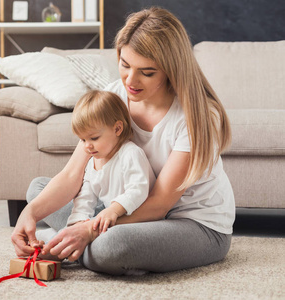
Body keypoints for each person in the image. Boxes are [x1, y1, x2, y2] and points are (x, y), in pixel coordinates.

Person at [12, 6, 235, 275]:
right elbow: (73, 173)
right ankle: (79, 243)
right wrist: (31, 214)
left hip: (193, 224)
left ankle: (70, 244)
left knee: (112, 247)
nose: (131, 80)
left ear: (170, 70)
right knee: (38, 190)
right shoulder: (115, 97)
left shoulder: (196, 116)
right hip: (124, 209)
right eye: (125, 64)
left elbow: (159, 204)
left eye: (147, 72)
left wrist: (88, 229)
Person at [65, 90, 155, 234]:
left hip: (135, 222)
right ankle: (60, 236)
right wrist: (78, 221)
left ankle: (56, 237)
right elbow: (84, 197)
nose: (87, 146)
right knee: (37, 187)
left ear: (117, 129)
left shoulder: (130, 154)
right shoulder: (93, 161)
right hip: (108, 216)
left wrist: (113, 210)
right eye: (83, 140)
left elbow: (138, 190)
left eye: (94, 138)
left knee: (107, 243)